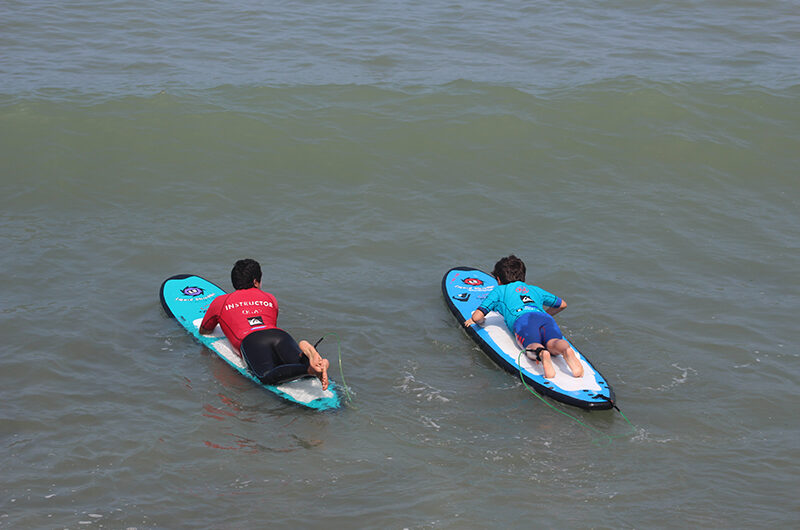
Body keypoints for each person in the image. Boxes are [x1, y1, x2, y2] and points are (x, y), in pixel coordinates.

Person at [199, 259, 329, 390]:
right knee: (294, 362)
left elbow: (205, 330)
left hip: (251, 340)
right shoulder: (269, 298)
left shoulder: (221, 301)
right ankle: (307, 356)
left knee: (266, 376)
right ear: (256, 281)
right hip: (280, 335)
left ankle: (309, 370)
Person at [463, 255, 583, 379]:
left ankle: (542, 354)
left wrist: (476, 320)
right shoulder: (534, 289)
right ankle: (565, 349)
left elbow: (477, 317)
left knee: (532, 344)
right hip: (545, 319)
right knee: (553, 341)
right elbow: (562, 304)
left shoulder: (500, 291)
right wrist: (546, 314)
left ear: (498, 280)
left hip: (524, 322)